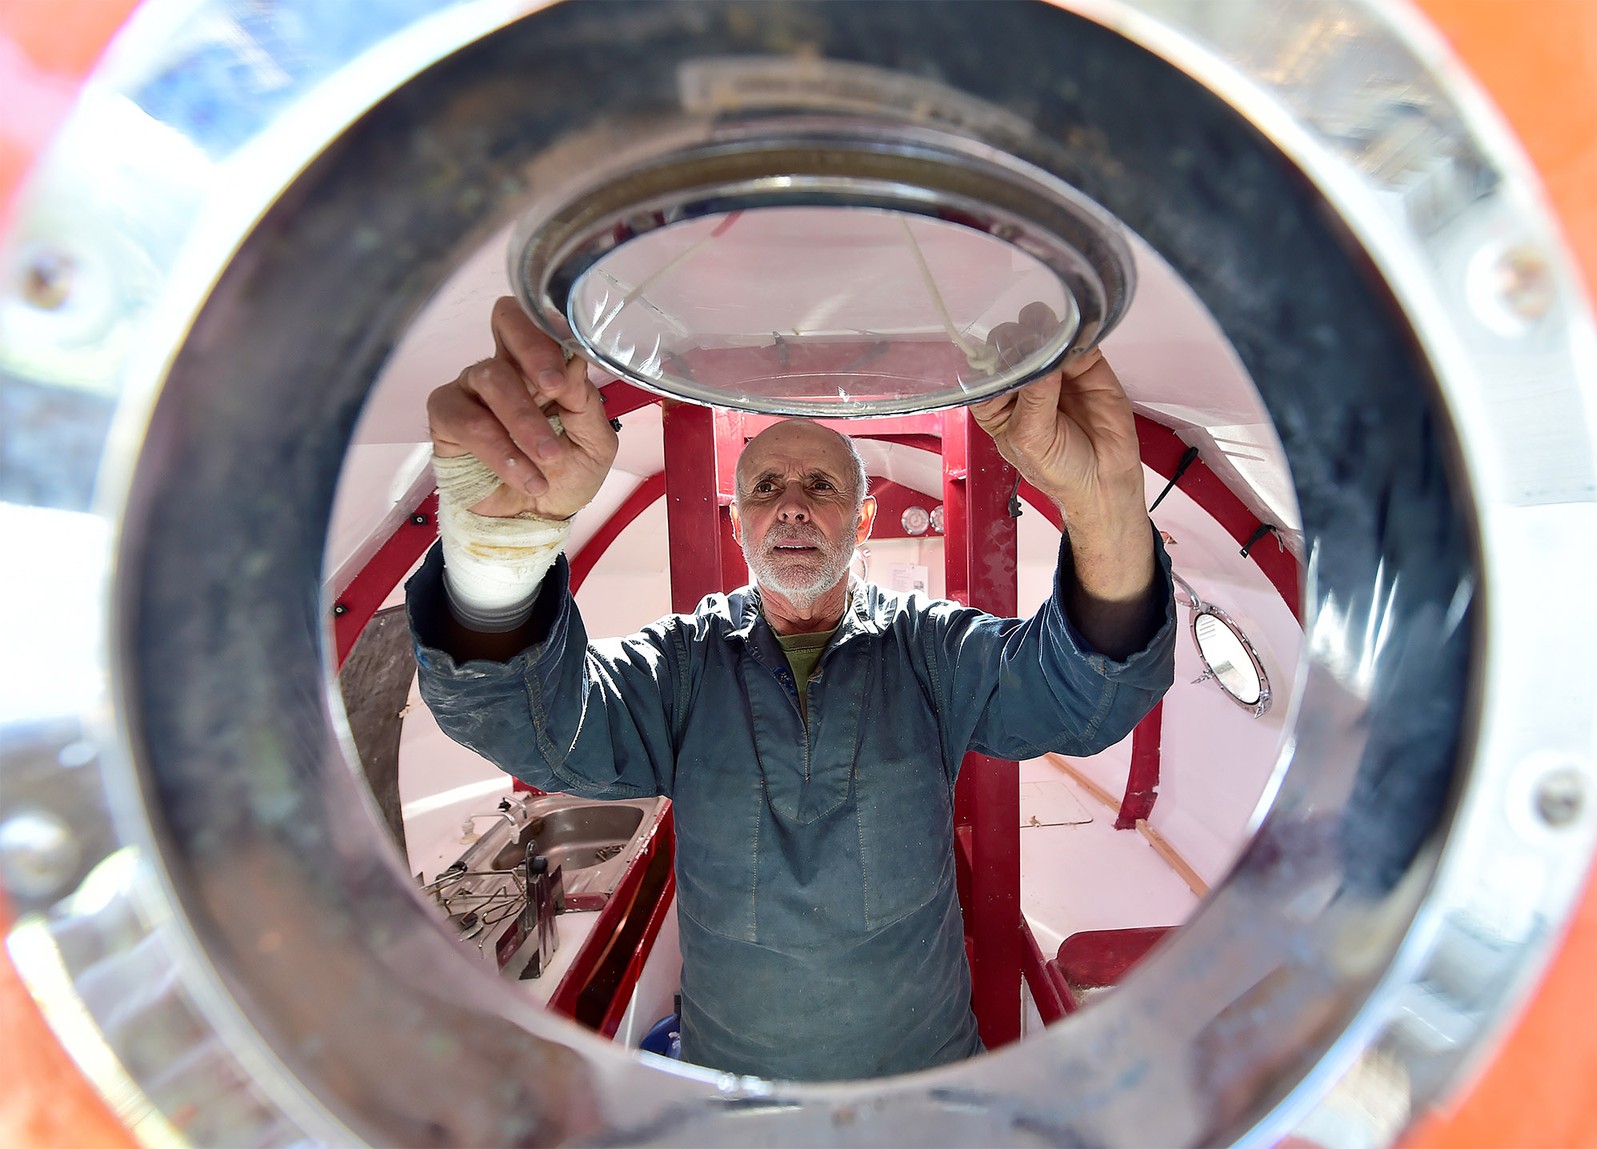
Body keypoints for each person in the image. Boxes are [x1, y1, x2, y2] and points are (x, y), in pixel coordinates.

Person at [407, 297, 1176, 1080]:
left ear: (865, 520)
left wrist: (1101, 497)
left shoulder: (930, 649)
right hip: (736, 1108)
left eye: (821, 485)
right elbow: (525, 723)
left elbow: (1085, 694)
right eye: (766, 486)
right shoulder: (683, 665)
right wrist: (500, 548)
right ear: (738, 522)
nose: (793, 505)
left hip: (926, 1100)